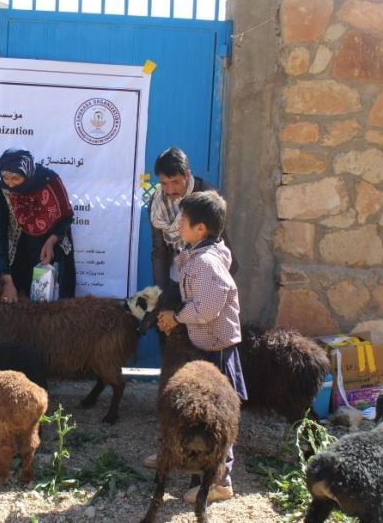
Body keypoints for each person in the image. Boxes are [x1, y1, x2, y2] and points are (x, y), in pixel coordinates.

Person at [154, 190, 247, 504]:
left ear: (201, 229)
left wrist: (177, 317)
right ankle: (183, 458)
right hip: (206, 344)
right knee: (200, 411)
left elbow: (207, 308)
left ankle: (220, 480)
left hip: (217, 349)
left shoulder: (206, 262)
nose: (179, 223)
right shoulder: (198, 252)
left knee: (217, 415)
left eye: (184, 219)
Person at [0, 148, 76, 303]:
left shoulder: (51, 182)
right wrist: (6, 279)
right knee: (21, 306)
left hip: (53, 250)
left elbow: (66, 218)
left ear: (27, 172)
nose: (10, 183)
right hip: (19, 253)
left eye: (15, 178)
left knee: (54, 307)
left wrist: (51, 241)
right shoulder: (1, 190)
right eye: (5, 177)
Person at [149, 146, 236, 293]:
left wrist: (217, 286)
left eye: (175, 182)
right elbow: (159, 250)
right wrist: (161, 294)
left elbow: (218, 244)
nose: (169, 190)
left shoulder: (206, 197)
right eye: (164, 183)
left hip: (208, 272)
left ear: (187, 175)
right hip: (176, 271)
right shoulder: (157, 204)